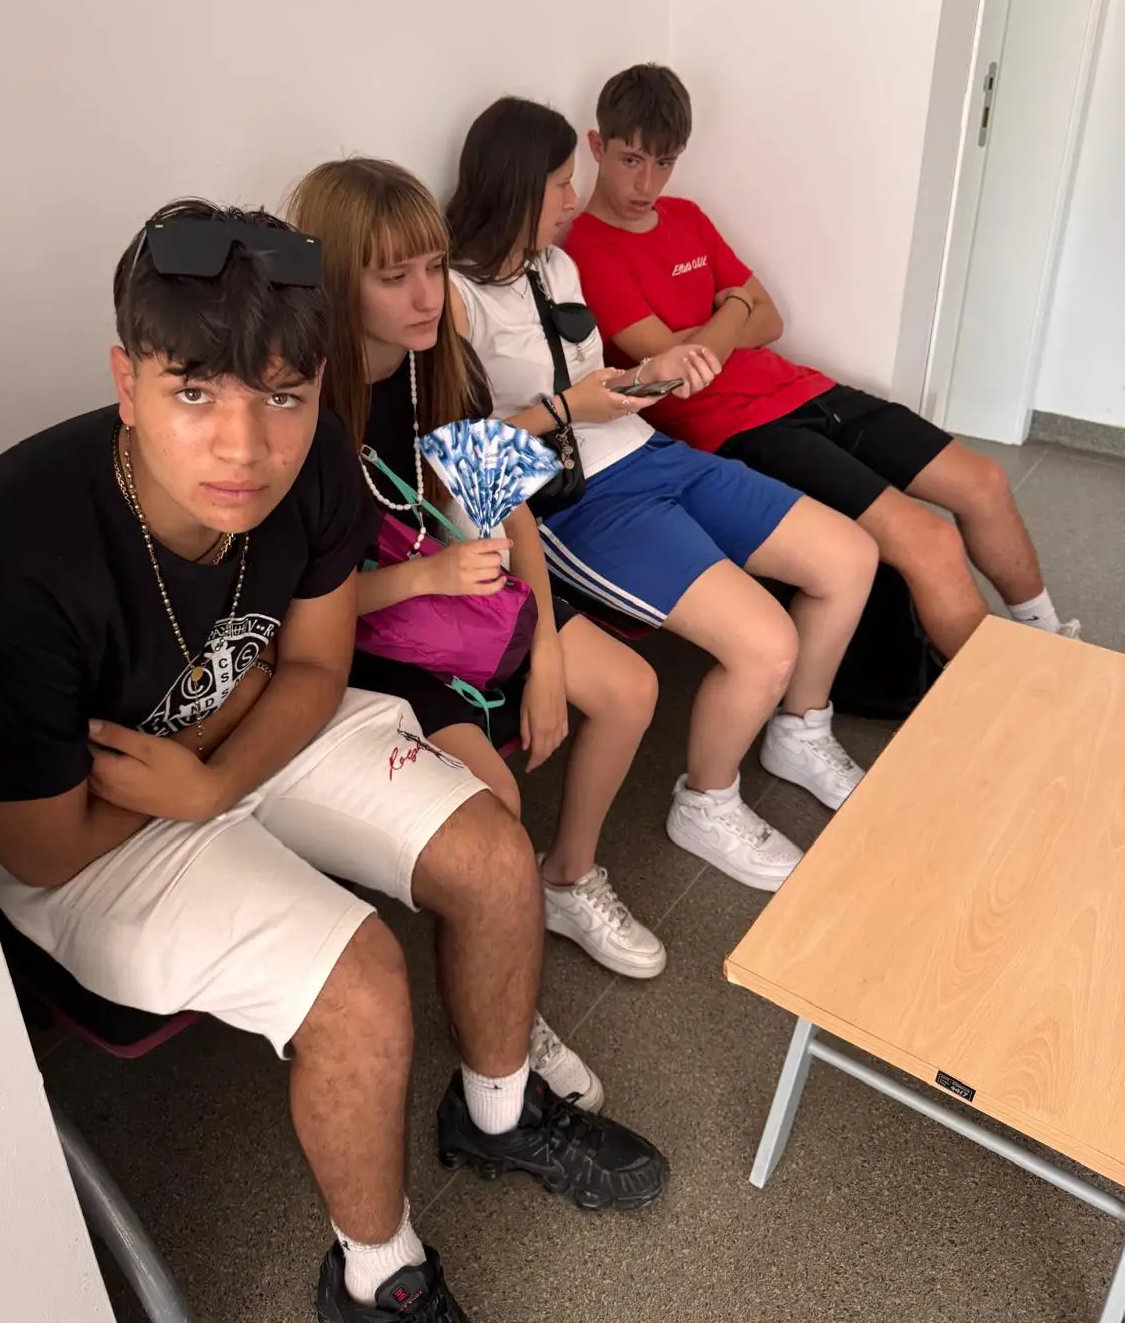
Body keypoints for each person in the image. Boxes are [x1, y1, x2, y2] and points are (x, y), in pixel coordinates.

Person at [0, 202, 668, 1323]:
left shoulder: (318, 453)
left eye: (283, 395)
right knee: (359, 985)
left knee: (493, 852)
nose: (246, 448)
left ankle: (500, 1114)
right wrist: (215, 749)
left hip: (228, 741)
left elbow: (315, 661)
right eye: (194, 393)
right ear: (126, 383)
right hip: (89, 833)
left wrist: (216, 774)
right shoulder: (4, 561)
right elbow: (42, 848)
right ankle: (378, 1280)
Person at [286, 159, 666, 1078]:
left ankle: (566, 879)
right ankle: (505, 1017)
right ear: (337, 282)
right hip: (374, 641)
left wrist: (546, 653)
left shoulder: (440, 360)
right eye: (395, 277)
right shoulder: (303, 410)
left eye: (434, 267)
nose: (429, 296)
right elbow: (305, 616)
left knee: (630, 689)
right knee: (495, 805)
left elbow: (509, 503)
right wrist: (428, 578)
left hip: (466, 597)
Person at [445, 98, 881, 894]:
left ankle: (798, 731)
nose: (573, 199)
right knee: (766, 644)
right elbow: (462, 457)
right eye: (560, 184)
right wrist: (570, 409)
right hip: (576, 499)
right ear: (513, 187)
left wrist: (643, 379)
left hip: (648, 450)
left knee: (850, 555)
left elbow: (590, 382)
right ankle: (707, 802)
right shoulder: (454, 298)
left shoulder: (555, 267)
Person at [565, 63, 1080, 659]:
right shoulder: (585, 247)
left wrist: (717, 327)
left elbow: (773, 321)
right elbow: (681, 364)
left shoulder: (687, 216)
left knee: (984, 482)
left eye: (664, 163)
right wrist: (736, 306)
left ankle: (1053, 648)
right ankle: (1004, 701)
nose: (646, 183)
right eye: (631, 160)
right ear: (597, 146)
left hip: (801, 388)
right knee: (930, 539)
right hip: (732, 426)